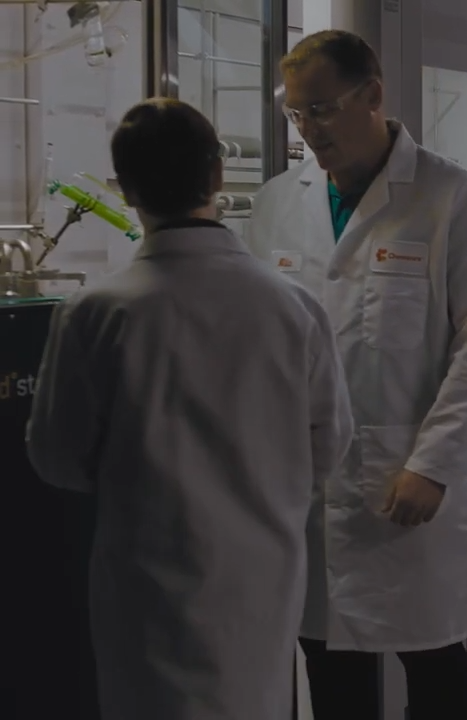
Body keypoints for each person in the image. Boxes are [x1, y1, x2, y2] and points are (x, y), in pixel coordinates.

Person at [25, 98, 353, 720]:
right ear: (217, 177)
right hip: (262, 584)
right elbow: (328, 446)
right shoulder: (292, 308)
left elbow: (57, 458)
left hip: (145, 591)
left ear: (123, 190)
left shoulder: (96, 313)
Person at [245, 30, 467, 719]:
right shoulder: (277, 203)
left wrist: (434, 464)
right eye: (296, 114)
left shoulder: (449, 197)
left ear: (373, 96)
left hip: (408, 481)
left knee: (435, 667)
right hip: (309, 486)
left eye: (323, 110)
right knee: (331, 670)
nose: (309, 130)